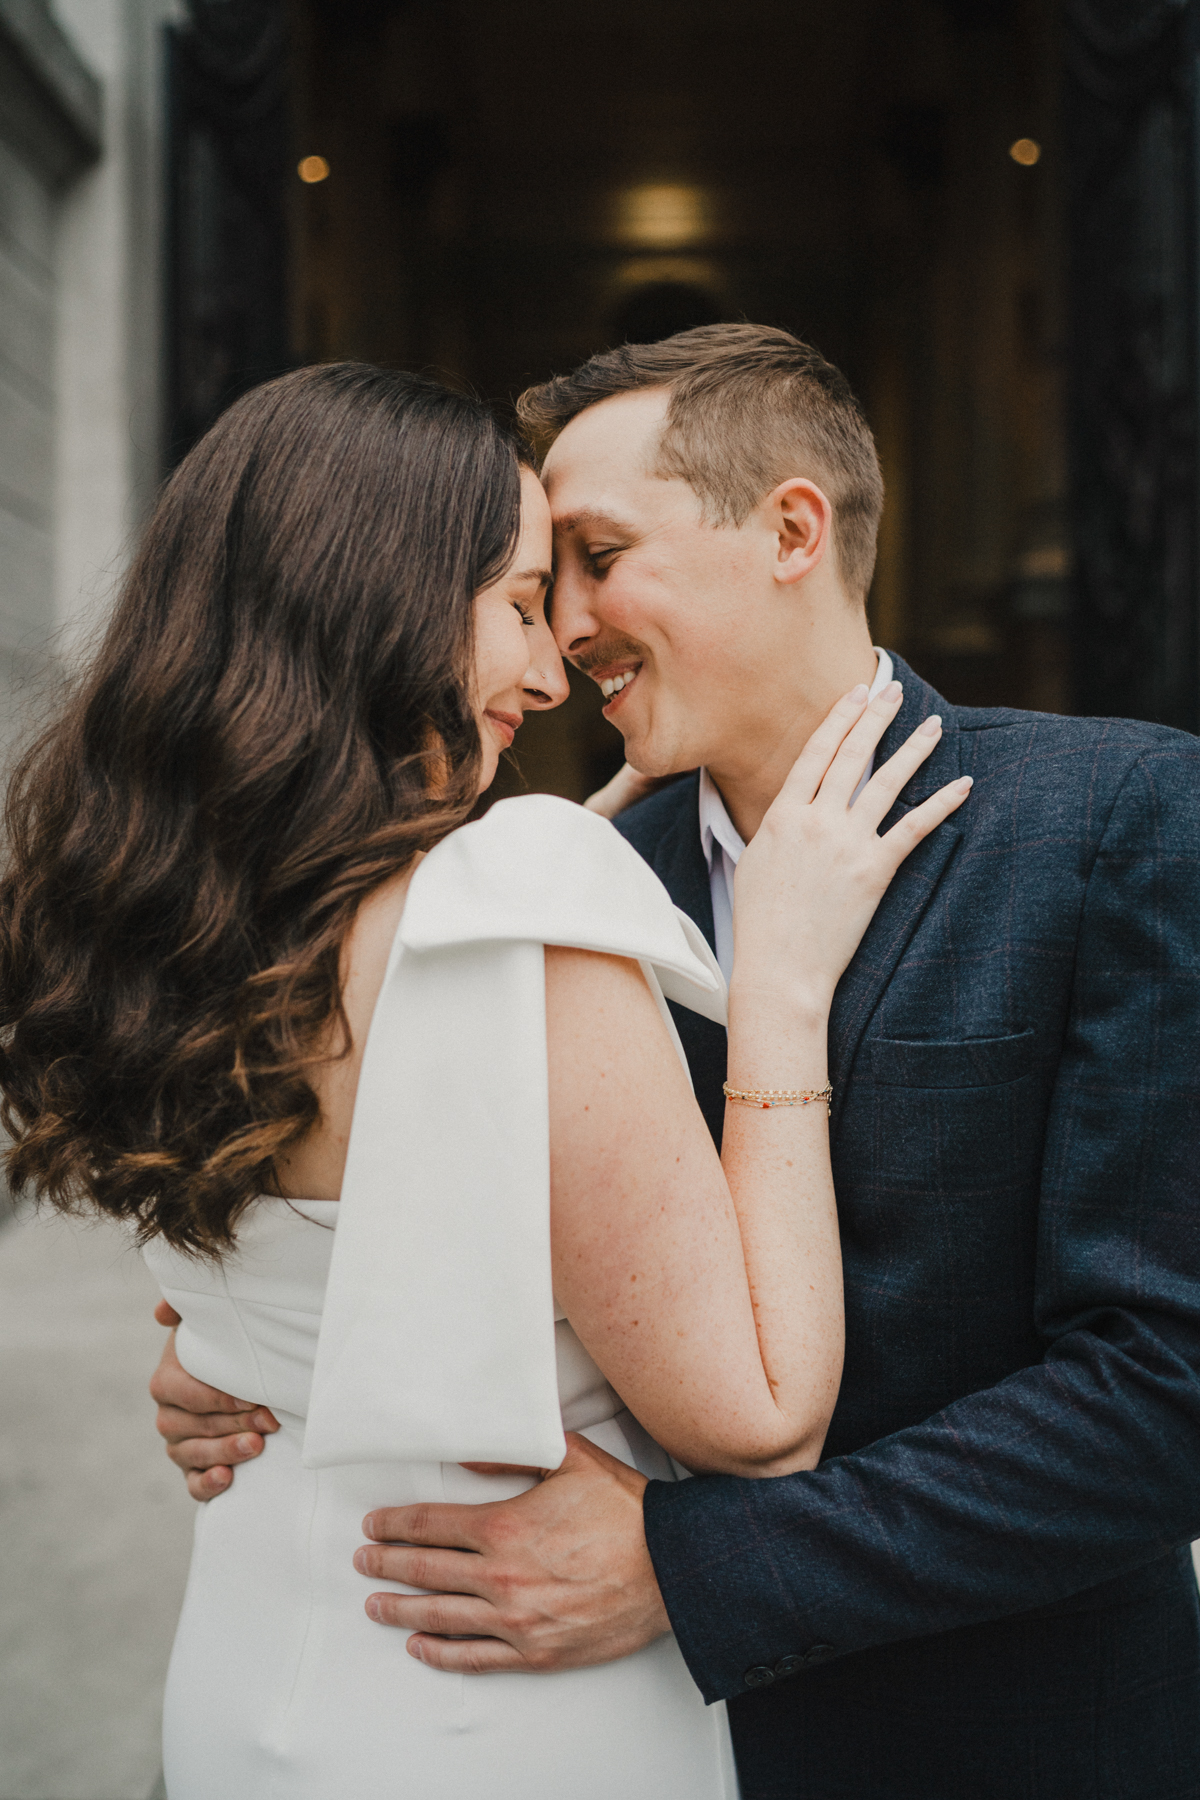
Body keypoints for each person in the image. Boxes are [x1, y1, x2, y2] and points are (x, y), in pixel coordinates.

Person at [157, 324, 1200, 1800]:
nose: (563, 627)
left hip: (993, 1739)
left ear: (790, 528)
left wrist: (696, 1567)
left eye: (595, 554)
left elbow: (1168, 1391)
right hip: (584, 1735)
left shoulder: (1120, 819)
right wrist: (244, 1354)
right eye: (537, 582)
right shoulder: (541, 876)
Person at [0, 361, 966, 1798]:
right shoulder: (519, 888)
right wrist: (774, 994)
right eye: (520, 602)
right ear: (373, 605)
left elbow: (290, 1277)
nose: (546, 666)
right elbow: (762, 1416)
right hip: (500, 1710)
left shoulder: (165, 909)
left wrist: (221, 1353)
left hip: (250, 1677)